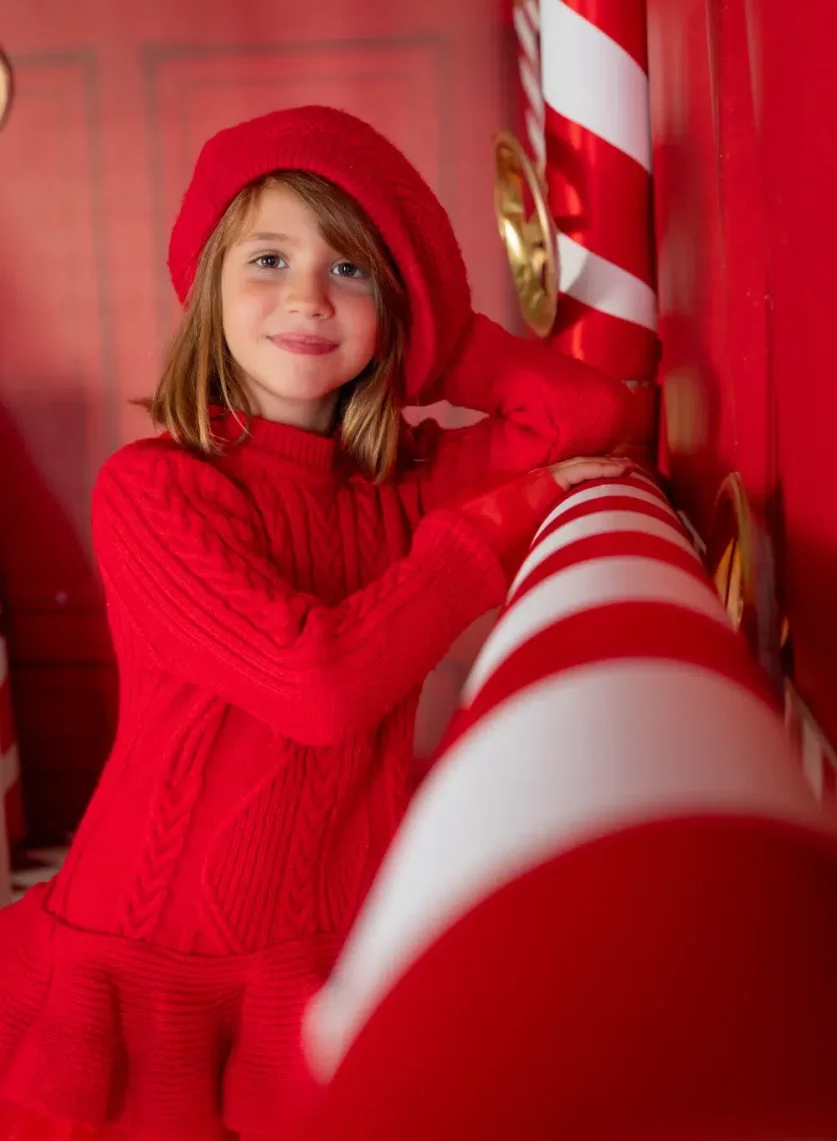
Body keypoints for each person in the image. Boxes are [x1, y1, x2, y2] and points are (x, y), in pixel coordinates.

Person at [0, 105, 633, 1141]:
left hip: (319, 959)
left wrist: (437, 336)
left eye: (350, 271)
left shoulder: (394, 494)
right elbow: (318, 685)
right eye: (269, 258)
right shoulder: (156, 491)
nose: (307, 294)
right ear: (208, 288)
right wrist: (488, 532)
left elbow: (593, 421)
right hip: (143, 962)